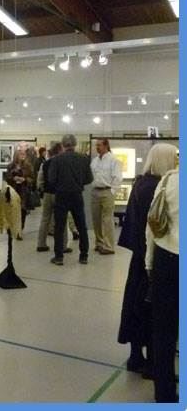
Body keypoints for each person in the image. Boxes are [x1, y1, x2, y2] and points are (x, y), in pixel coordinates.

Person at [117, 144, 177, 379]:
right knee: (152, 312)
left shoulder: (141, 183)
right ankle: (153, 364)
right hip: (151, 258)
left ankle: (136, 357)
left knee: (136, 307)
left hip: (139, 257)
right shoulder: (157, 187)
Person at [145, 159, 179, 403]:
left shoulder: (168, 180)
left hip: (166, 258)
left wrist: (149, 262)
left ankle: (164, 393)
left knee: (164, 330)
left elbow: (152, 226)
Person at [48, 134, 93, 266]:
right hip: (77, 195)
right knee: (81, 226)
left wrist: (60, 184)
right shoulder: (83, 159)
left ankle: (59, 256)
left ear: (63, 145)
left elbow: (51, 179)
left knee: (59, 226)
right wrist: (78, 183)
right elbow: (89, 179)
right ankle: (84, 255)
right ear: (75, 144)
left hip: (61, 195)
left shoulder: (57, 160)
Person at [36, 142, 72, 253]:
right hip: (60, 194)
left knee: (45, 219)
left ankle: (41, 244)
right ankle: (63, 245)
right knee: (62, 220)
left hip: (47, 194)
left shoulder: (45, 164)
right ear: (60, 150)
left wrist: (43, 189)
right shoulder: (64, 164)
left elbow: (40, 180)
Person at [90, 138, 123, 254]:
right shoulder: (94, 161)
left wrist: (112, 191)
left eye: (99, 145)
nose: (97, 147)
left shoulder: (113, 160)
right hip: (95, 191)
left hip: (107, 191)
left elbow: (117, 177)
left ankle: (109, 246)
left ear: (106, 146)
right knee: (96, 219)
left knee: (107, 220)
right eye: (96, 145)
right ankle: (99, 243)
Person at [6, 147, 34, 233]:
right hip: (13, 190)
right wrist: (13, 178)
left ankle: (20, 229)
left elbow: (32, 179)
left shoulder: (28, 166)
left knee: (22, 211)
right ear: (16, 155)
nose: (23, 156)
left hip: (23, 191)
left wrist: (24, 179)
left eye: (24, 154)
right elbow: (7, 177)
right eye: (21, 154)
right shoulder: (10, 166)